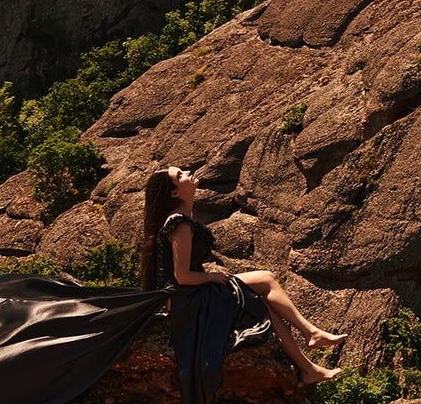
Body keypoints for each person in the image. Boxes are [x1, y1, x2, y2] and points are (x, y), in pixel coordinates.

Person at [139, 164, 342, 385]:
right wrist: (212, 277)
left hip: (190, 296)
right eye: (180, 175)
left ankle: (308, 366)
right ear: (175, 192)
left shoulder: (183, 217)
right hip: (187, 301)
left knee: (263, 304)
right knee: (266, 279)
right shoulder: (179, 223)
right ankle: (311, 335)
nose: (187, 173)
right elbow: (182, 277)